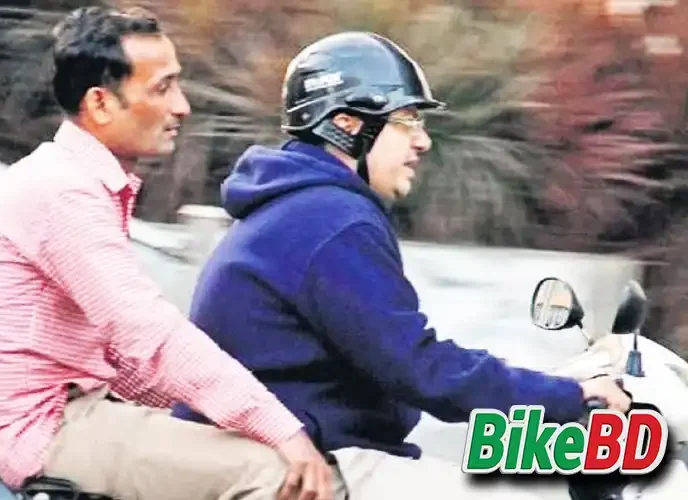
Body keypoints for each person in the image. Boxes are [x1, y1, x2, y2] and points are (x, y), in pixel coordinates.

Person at [170, 32, 632, 498]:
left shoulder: (296, 207)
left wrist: (546, 389)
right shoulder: (331, 220)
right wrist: (567, 397)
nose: (423, 141)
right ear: (347, 125)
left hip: (284, 452)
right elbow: (419, 368)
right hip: (301, 466)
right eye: (406, 120)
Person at [0, 6, 337, 500]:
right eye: (162, 88)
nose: (182, 106)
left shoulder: (74, 181)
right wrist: (278, 427)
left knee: (255, 443)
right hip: (37, 428)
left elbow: (123, 354)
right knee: (278, 473)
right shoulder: (62, 193)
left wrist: (217, 412)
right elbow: (147, 333)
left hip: (61, 411)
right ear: (101, 103)